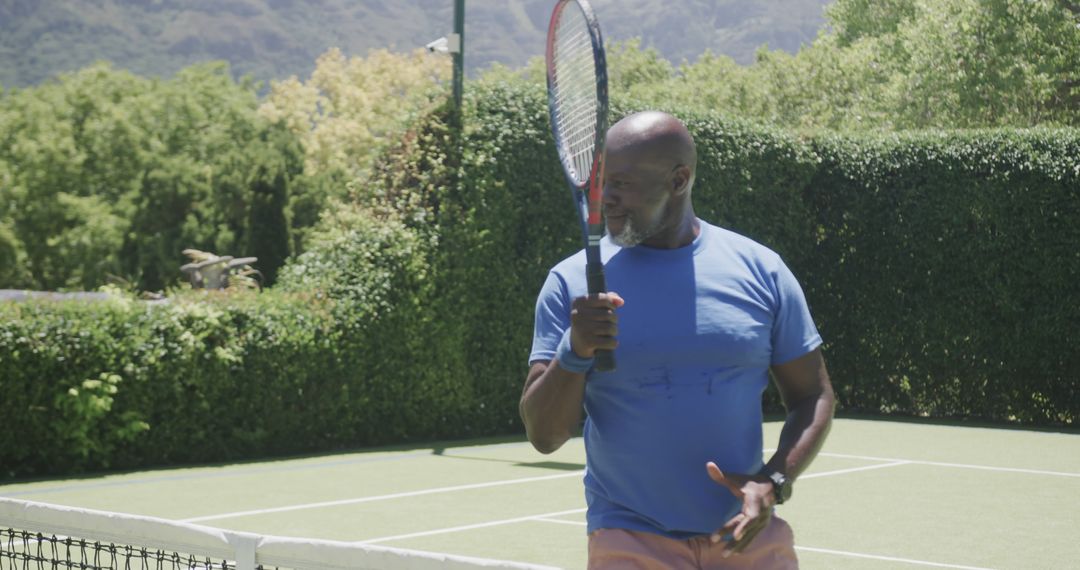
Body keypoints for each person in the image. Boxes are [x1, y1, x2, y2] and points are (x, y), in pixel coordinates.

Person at [520, 111, 835, 569]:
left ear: (679, 179)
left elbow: (813, 394)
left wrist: (773, 481)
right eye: (602, 181)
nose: (604, 198)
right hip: (629, 539)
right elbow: (544, 436)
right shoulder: (570, 284)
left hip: (745, 540)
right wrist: (575, 349)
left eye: (622, 184)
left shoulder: (761, 271)